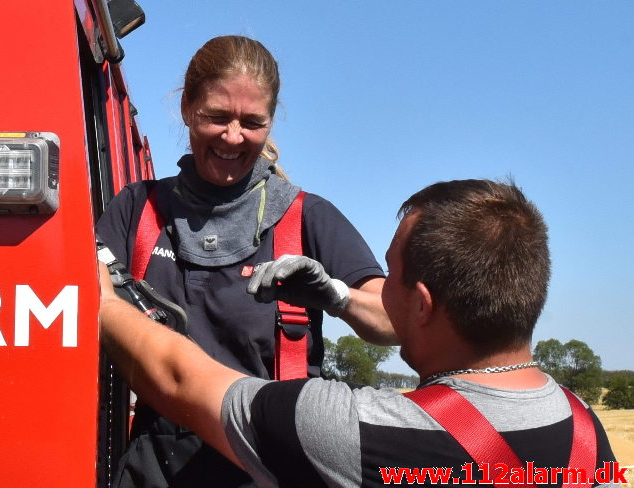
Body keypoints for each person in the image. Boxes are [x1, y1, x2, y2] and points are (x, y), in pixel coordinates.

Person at [98, 179, 619, 488]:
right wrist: (340, 298)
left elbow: (179, 377)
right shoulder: (586, 435)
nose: (380, 287)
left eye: (389, 274)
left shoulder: (359, 432)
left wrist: (98, 297)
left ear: (421, 305)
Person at [95, 35, 393, 487]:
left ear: (271, 122)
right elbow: (78, 300)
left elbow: (392, 320)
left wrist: (337, 295)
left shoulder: (306, 217)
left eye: (252, 122)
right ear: (187, 110)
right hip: (153, 465)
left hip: (271, 464)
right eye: (217, 116)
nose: (233, 136)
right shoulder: (136, 210)